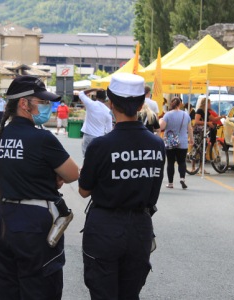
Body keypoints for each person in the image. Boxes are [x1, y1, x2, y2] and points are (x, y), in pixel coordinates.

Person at [0, 75, 79, 300]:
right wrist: (53, 177)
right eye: (41, 101)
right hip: (33, 224)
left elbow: (11, 171)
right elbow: (72, 173)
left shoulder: (0, 136)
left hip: (1, 220)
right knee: (40, 290)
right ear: (23, 103)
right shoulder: (42, 138)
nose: (47, 106)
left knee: (7, 290)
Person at [78, 73, 165, 300]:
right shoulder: (157, 144)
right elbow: (153, 189)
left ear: (111, 104)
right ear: (141, 104)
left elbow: (84, 190)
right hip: (140, 227)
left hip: (104, 226)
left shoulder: (100, 145)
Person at [160, 97, 194, 189]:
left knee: (170, 162)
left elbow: (161, 127)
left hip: (170, 141)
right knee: (182, 161)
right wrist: (191, 139)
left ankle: (170, 183)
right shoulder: (186, 115)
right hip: (182, 141)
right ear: (180, 104)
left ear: (171, 104)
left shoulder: (167, 115)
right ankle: (182, 178)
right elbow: (189, 128)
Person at [194, 97, 225, 174]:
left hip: (204, 131)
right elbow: (196, 121)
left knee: (203, 150)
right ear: (206, 104)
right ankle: (193, 167)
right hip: (199, 131)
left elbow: (214, 119)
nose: (210, 105)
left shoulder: (206, 112)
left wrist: (221, 117)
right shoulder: (200, 110)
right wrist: (207, 123)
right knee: (197, 149)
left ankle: (201, 168)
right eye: (209, 103)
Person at [79, 88, 113, 155]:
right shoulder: (108, 111)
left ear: (96, 97)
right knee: (97, 157)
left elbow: (81, 93)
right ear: (105, 98)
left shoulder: (90, 104)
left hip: (88, 135)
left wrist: (94, 89)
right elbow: (109, 130)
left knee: (86, 157)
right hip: (99, 137)